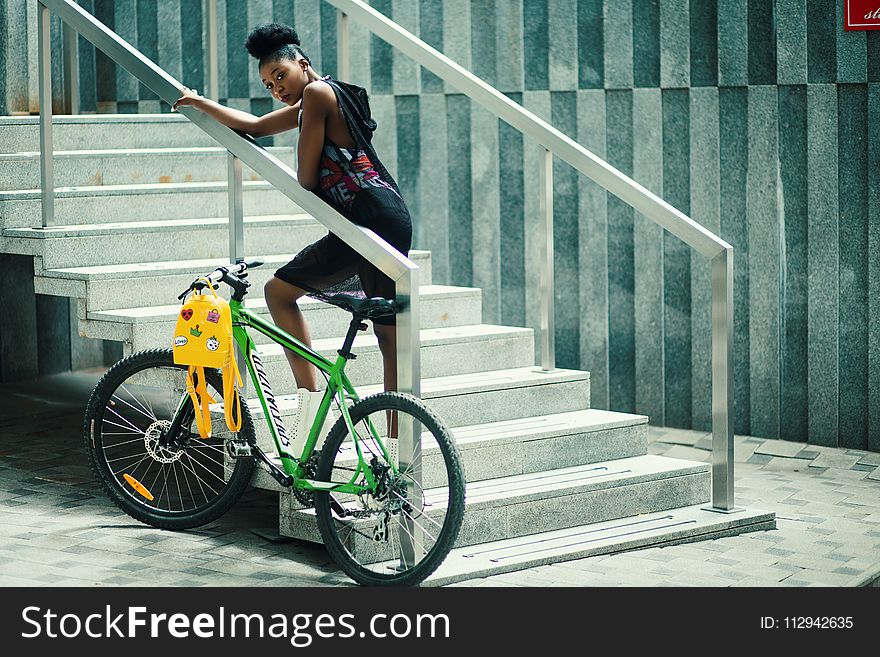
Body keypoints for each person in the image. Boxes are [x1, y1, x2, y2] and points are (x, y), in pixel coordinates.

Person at [172, 22, 412, 446]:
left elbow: (304, 178)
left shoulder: (318, 95)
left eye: (280, 76)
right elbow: (258, 126)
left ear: (303, 64)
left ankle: (317, 404)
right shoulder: (319, 99)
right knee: (385, 332)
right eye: (268, 84)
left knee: (283, 294)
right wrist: (202, 104)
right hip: (379, 214)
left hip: (372, 216)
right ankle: (392, 440)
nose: (276, 88)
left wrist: (305, 136)